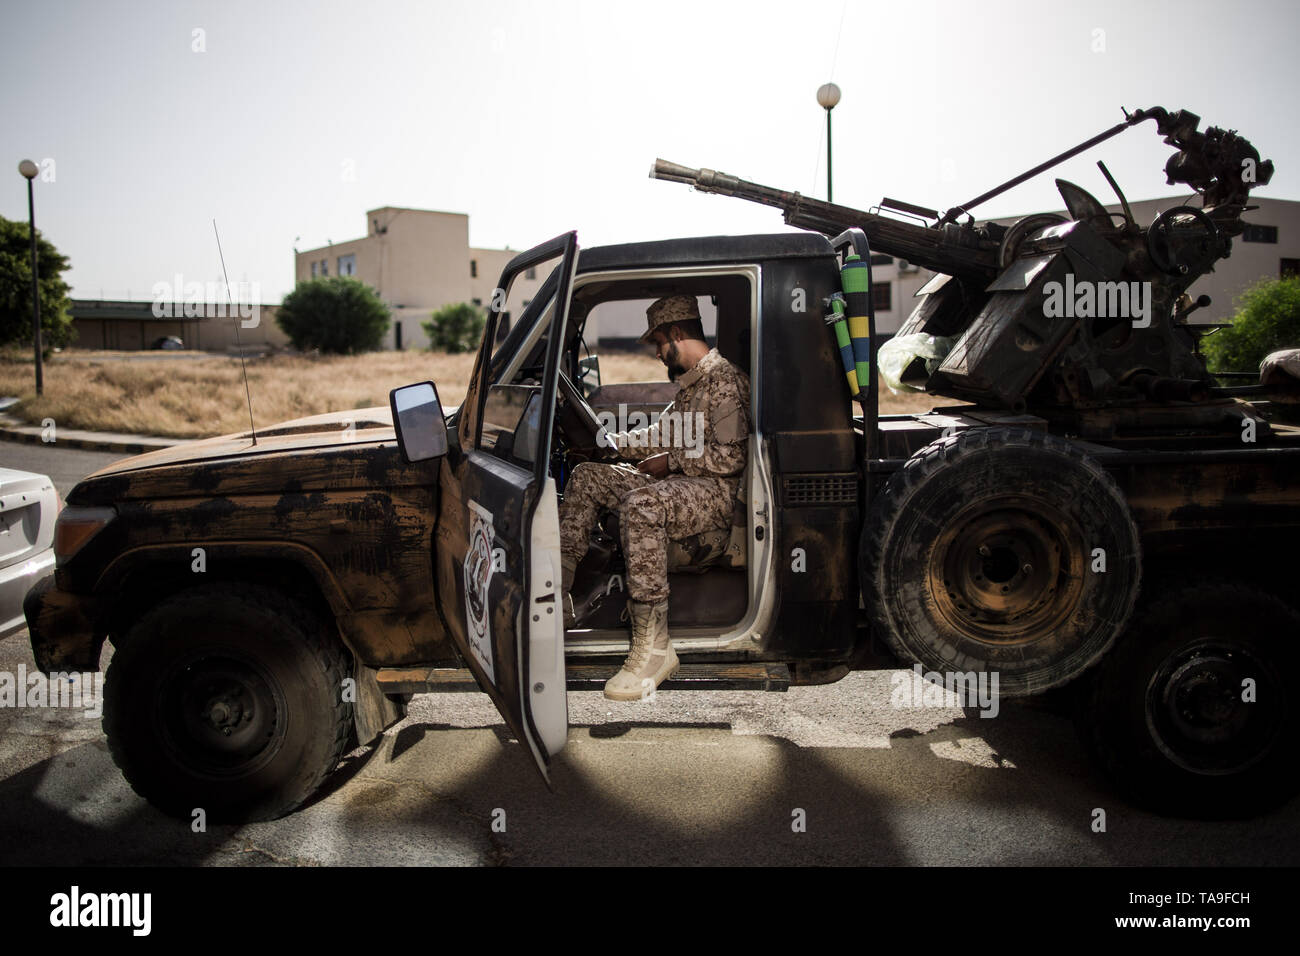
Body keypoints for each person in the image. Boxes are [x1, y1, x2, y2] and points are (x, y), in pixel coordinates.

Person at [558, 294, 751, 700]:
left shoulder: (725, 382)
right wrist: (609, 445)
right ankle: (557, 598)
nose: (660, 354)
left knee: (641, 505)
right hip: (688, 485)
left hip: (715, 493)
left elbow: (730, 459)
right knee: (588, 477)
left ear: (678, 334)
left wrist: (671, 461)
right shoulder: (690, 386)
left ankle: (655, 647)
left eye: (661, 343)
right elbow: (660, 435)